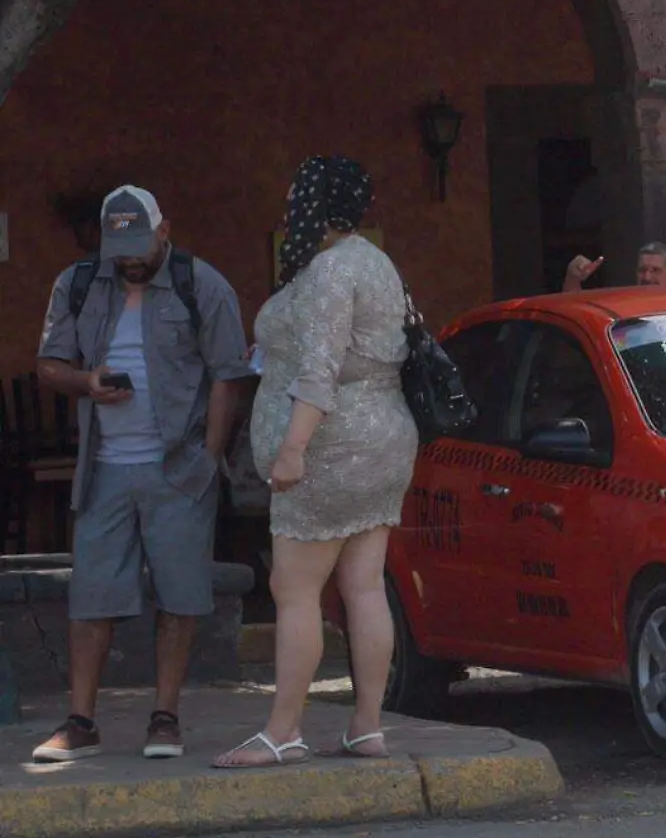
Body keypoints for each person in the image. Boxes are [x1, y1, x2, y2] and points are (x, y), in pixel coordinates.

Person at [31, 186, 250, 763]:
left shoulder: (202, 284)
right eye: (117, 247)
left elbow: (229, 373)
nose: (128, 259)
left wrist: (209, 456)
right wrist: (86, 383)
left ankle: (165, 717)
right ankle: (81, 721)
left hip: (178, 467)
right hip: (103, 467)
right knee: (91, 596)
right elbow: (48, 363)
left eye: (138, 245)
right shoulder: (77, 284)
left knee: (178, 595)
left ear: (164, 230)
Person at [213, 157, 419, 768]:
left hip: (332, 446)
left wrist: (292, 448)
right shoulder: (376, 261)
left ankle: (283, 730)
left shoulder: (330, 271)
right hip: (382, 438)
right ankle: (367, 726)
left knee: (293, 587)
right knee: (363, 585)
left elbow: (320, 370)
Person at [562, 241, 666, 291]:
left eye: (655, 270)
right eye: (642, 270)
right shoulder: (625, 305)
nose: (647, 277)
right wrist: (573, 278)